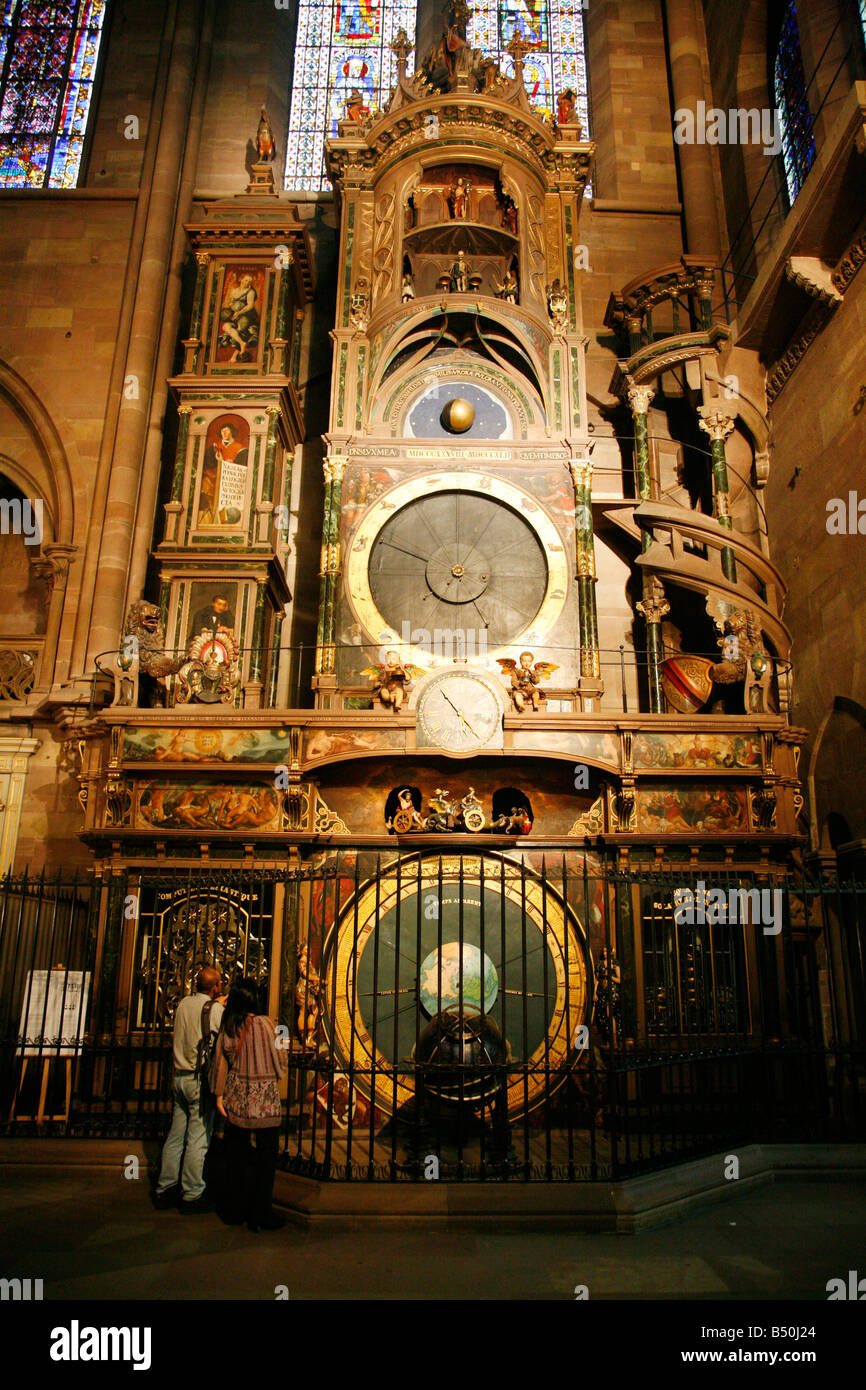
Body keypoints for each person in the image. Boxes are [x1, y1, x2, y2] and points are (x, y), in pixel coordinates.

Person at [210, 978, 287, 1233]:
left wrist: (218, 1095)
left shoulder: (230, 1026)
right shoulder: (268, 1024)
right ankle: (261, 1214)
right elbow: (281, 1058)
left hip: (238, 1100)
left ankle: (235, 1210)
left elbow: (220, 1062)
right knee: (266, 1162)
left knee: (237, 1159)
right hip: (265, 1101)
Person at [153, 966, 224, 1213]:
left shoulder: (182, 1004)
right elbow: (225, 1036)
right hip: (198, 1080)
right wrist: (221, 1007)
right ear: (215, 987)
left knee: (175, 1135)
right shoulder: (215, 1009)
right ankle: (192, 1193)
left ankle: (165, 1187)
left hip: (178, 1076)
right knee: (198, 1138)